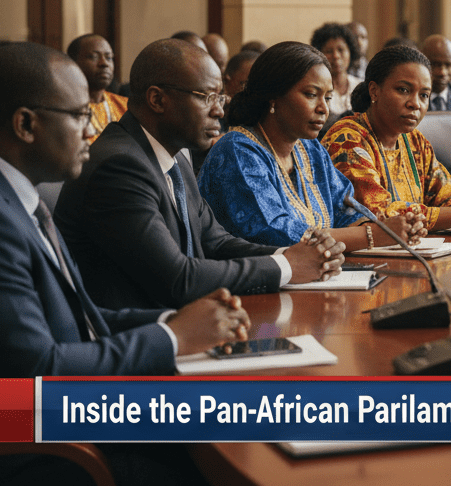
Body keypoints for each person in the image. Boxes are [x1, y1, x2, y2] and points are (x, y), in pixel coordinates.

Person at [0, 42, 248, 379]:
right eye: (78, 115)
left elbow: (80, 318)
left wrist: (178, 320)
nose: (91, 128)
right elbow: (39, 372)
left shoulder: (2, 191)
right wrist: (173, 338)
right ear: (26, 124)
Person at [56, 39, 346, 310]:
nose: (220, 111)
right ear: (157, 100)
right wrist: (288, 266)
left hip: (190, 319)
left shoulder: (176, 156)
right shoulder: (120, 165)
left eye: (220, 97)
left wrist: (293, 255)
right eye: (207, 97)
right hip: (135, 338)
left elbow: (216, 242)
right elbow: (178, 278)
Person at [199, 41, 425, 247]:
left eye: (327, 97)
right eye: (311, 94)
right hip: (253, 287)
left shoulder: (310, 148)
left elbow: (346, 210)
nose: (324, 109)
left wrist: (389, 227)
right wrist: (375, 235)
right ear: (273, 96)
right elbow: (276, 232)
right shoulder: (237, 151)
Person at [324, 45, 451, 230]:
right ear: (374, 91)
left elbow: (448, 195)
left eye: (424, 95)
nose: (415, 104)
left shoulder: (414, 141)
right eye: (403, 90)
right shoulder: (347, 139)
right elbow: (381, 214)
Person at [67, 34, 127, 142]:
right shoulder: (64, 109)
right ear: (72, 63)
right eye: (94, 57)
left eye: (109, 57)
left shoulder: (125, 106)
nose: (104, 63)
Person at [310, 22, 363, 119]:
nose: (336, 56)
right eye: (329, 51)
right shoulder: (314, 89)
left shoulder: (361, 86)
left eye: (341, 50)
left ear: (351, 52)